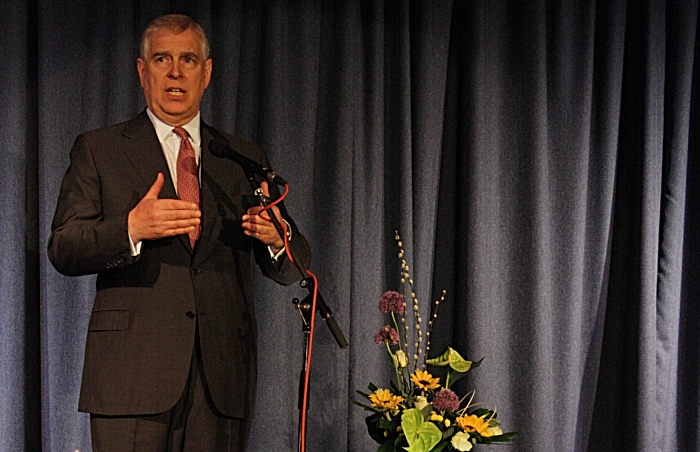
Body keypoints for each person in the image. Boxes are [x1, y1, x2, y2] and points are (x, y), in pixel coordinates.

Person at [47, 14, 310, 452]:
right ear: (141, 70)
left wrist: (275, 239)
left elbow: (295, 264)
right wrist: (130, 228)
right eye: (162, 59)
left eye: (188, 59)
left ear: (206, 73)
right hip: (130, 377)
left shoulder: (241, 158)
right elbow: (63, 246)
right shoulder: (99, 149)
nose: (175, 72)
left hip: (221, 380)